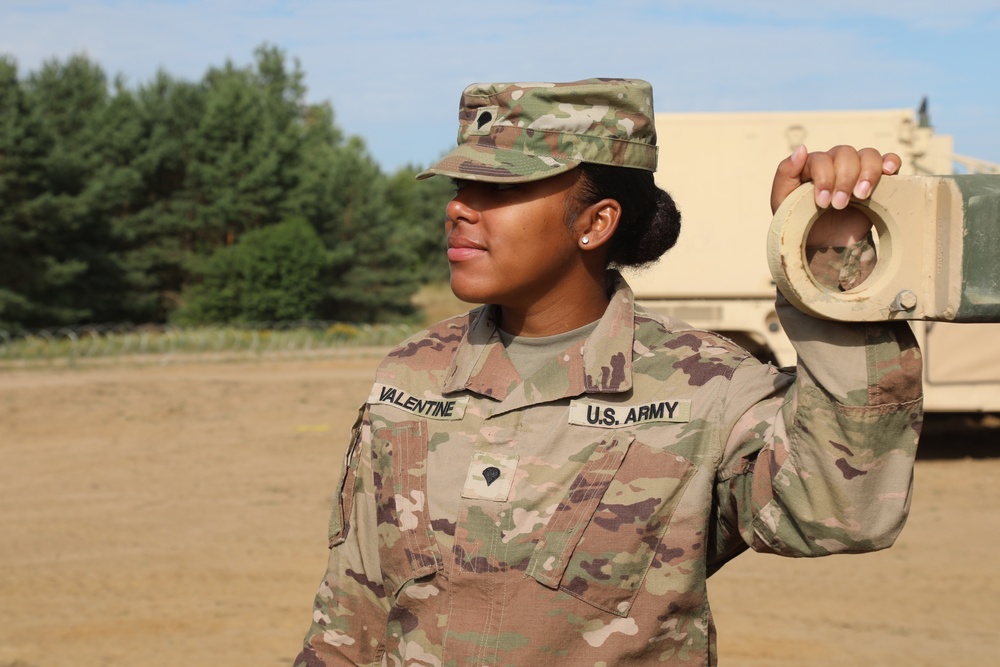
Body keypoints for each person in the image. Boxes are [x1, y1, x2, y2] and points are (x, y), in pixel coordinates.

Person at [293, 78, 923, 666]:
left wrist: (836, 261)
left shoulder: (705, 387)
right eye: (461, 187)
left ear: (596, 223)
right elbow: (353, 606)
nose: (460, 209)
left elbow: (841, 512)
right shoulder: (412, 375)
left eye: (502, 189)